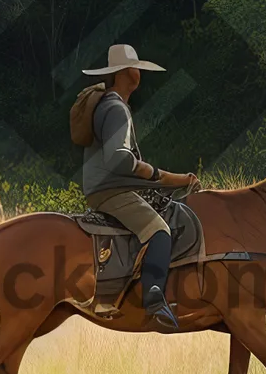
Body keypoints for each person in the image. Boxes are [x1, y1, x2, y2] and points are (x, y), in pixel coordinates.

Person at [81, 44, 198, 332]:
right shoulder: (116, 108)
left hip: (105, 187)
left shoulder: (108, 104)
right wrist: (159, 174)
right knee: (160, 230)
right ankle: (154, 301)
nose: (139, 74)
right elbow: (121, 159)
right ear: (123, 73)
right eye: (135, 68)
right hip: (112, 190)